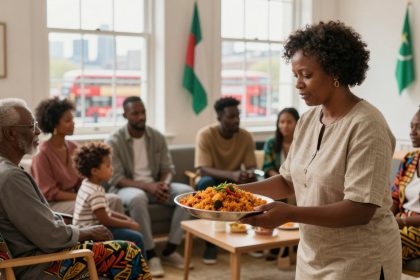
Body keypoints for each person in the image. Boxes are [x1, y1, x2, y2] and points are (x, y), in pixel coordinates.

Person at [240, 21, 401, 279]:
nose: (298, 84)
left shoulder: (367, 125)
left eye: (307, 75)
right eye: (295, 76)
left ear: (335, 71)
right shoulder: (307, 120)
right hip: (312, 256)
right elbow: (288, 180)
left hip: (360, 261)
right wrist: (233, 194)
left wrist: (289, 213)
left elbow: (360, 209)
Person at [0, 98, 150, 279]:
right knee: (128, 252)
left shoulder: (8, 170)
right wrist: (86, 231)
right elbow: (49, 236)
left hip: (41, 253)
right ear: (10, 134)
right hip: (39, 264)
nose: (38, 131)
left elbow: (41, 224)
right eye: (31, 126)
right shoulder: (11, 177)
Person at [106, 96, 194, 277]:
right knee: (138, 198)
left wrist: (164, 185)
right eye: (135, 113)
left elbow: (168, 168)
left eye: (143, 112)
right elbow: (117, 178)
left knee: (187, 193)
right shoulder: (114, 141)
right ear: (125, 115)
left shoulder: (156, 137)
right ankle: (150, 253)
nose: (140, 117)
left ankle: (170, 249)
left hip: (154, 185)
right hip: (127, 188)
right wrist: (150, 187)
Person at [31, 97, 124, 215]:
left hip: (78, 197)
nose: (73, 123)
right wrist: (84, 196)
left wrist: (90, 194)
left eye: (72, 119)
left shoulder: (73, 147)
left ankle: (117, 233)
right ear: (54, 124)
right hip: (54, 205)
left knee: (114, 199)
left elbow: (84, 179)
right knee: (100, 204)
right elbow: (50, 193)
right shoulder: (42, 154)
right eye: (67, 120)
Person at [195, 96, 257, 264]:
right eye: (231, 116)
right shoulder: (206, 135)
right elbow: (202, 168)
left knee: (255, 184)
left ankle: (251, 238)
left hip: (234, 182)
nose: (236, 120)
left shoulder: (245, 136)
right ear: (219, 118)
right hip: (211, 183)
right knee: (204, 182)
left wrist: (248, 174)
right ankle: (210, 246)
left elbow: (251, 166)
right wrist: (233, 174)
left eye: (238, 115)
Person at [72, 141, 146, 257]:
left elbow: (106, 212)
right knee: (137, 238)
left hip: (88, 231)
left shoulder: (87, 184)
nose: (112, 169)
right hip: (91, 237)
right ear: (94, 171)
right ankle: (139, 274)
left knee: (130, 233)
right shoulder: (96, 191)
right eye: (108, 166)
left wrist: (127, 219)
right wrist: (129, 225)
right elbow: (106, 220)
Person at [261, 107, 299, 263]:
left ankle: (294, 245)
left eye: (289, 122)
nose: (285, 125)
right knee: (280, 198)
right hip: (279, 181)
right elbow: (268, 167)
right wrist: (283, 182)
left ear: (297, 123)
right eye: (282, 122)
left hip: (300, 183)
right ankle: (276, 246)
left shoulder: (302, 142)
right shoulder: (271, 143)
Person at [391, 107, 420, 264]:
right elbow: (394, 198)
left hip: (414, 228)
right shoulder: (409, 159)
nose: (412, 132)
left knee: (379, 243)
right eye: (411, 126)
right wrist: (386, 218)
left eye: (419, 127)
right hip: (400, 222)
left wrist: (401, 222)